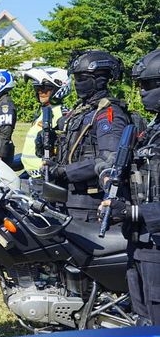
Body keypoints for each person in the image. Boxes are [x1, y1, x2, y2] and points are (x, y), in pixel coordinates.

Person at [100, 49, 160, 326]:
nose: (142, 93)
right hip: (140, 242)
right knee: (142, 319)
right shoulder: (151, 128)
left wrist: (134, 211)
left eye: (148, 85)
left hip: (155, 245)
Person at [51, 50, 129, 224]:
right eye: (76, 78)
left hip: (87, 205)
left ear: (100, 79)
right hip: (65, 197)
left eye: (82, 78)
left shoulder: (108, 113)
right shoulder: (81, 110)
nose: (77, 83)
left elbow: (109, 158)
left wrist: (66, 171)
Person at [20, 66, 70, 192]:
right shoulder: (44, 112)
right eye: (37, 88)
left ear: (59, 88)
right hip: (31, 176)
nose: (40, 92)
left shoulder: (61, 115)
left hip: (45, 178)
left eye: (45, 89)